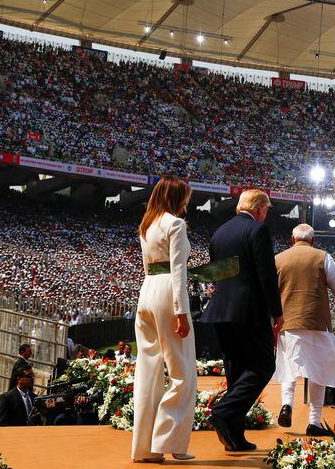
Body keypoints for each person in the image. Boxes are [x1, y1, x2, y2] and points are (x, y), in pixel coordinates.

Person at [200, 189, 283, 453]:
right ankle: (224, 411)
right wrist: (277, 312)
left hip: (221, 311)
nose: (266, 214)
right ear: (259, 208)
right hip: (249, 311)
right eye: (267, 209)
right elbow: (266, 275)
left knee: (236, 372)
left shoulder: (219, 233)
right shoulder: (257, 231)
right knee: (262, 366)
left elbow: (215, 272)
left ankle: (234, 437)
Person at [272, 224, 335, 436]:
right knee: (318, 372)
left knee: (289, 366)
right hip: (317, 323)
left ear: (292, 239)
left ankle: (287, 404)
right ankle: (314, 421)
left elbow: (270, 297)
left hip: (288, 323)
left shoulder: (278, 259)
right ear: (313, 241)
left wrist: (271, 327)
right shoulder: (323, 257)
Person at [131, 176, 197, 463]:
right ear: (177, 197)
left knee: (148, 372)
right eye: (185, 197)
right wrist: (182, 311)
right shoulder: (175, 224)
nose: (187, 203)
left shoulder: (147, 225)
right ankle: (170, 442)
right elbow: (178, 271)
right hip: (169, 293)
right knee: (183, 372)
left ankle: (144, 449)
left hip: (147, 291)